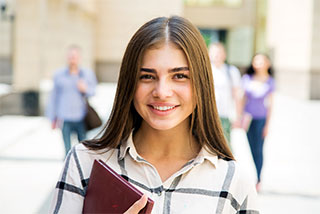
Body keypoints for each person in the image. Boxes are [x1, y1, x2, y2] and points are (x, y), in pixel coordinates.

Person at [49, 16, 259, 214]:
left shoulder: (234, 181)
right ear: (129, 83)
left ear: (201, 85)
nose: (162, 91)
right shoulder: (84, 163)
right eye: (147, 76)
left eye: (179, 76)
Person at [45, 45, 97, 156]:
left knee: (83, 150)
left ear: (79, 58)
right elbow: (54, 97)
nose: (72, 59)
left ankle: (81, 172)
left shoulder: (86, 74)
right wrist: (52, 117)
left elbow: (93, 92)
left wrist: (85, 89)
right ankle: (68, 171)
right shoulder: (59, 75)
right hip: (65, 118)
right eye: (70, 56)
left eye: (75, 56)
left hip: (81, 117)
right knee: (67, 151)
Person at [239, 53, 275, 191]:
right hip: (248, 119)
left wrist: (267, 125)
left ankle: (258, 179)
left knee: (258, 150)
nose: (259, 64)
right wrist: (239, 117)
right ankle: (249, 178)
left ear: (268, 63)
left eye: (261, 61)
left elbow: (271, 105)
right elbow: (242, 99)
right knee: (249, 148)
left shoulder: (270, 81)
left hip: (261, 119)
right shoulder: (247, 78)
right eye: (256, 61)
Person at [208, 42, 242, 147]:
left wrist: (238, 116)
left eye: (218, 52)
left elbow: (237, 95)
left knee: (225, 146)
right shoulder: (206, 70)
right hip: (208, 115)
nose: (216, 55)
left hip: (224, 115)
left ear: (224, 54)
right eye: (213, 53)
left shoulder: (232, 71)